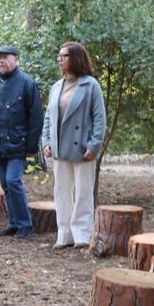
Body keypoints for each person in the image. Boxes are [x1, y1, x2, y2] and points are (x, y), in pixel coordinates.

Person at [42, 42, 106, 249]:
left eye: (64, 56)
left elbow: (99, 118)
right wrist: (46, 142)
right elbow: (48, 118)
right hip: (59, 148)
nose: (59, 60)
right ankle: (64, 234)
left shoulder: (90, 85)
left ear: (76, 58)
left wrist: (94, 145)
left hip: (83, 149)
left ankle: (82, 233)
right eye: (59, 56)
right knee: (61, 191)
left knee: (83, 192)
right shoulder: (56, 86)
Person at [0, 45, 43, 239]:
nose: (1, 60)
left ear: (16, 59)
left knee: (13, 181)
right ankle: (15, 223)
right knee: (6, 185)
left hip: (18, 144)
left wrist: (31, 147)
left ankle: (25, 224)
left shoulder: (27, 83)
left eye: (6, 57)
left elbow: (36, 118)